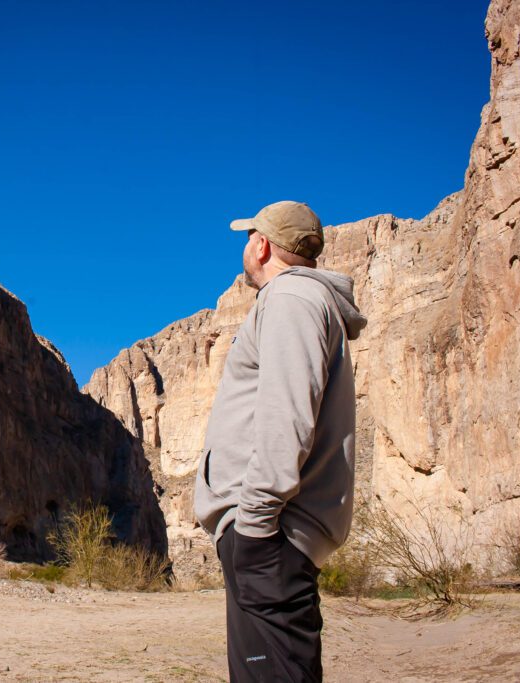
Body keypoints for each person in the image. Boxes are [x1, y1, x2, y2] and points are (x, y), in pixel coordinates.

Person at [194, 200, 367, 682]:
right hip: (275, 535)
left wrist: (253, 525)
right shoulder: (301, 302)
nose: (246, 246)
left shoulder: (291, 300)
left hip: (271, 534)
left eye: (249, 236)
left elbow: (287, 416)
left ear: (263, 244)